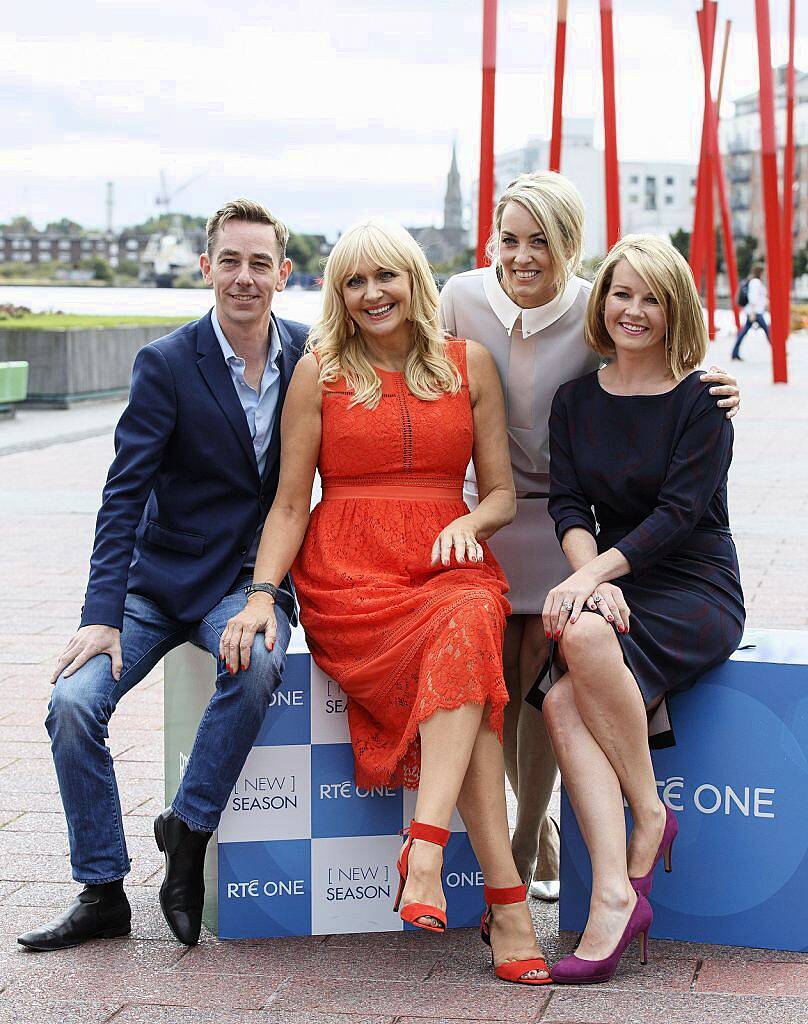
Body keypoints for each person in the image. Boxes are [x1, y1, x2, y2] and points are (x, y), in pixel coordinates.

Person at [220, 219, 550, 984]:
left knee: (469, 623)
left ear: (415, 280)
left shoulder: (469, 366)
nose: (372, 295)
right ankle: (506, 907)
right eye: (354, 282)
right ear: (340, 295)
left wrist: (470, 519)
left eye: (386, 278)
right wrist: (263, 594)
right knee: (471, 675)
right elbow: (291, 504)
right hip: (351, 572)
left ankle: (428, 849)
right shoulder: (320, 370)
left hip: (449, 557)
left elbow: (501, 492)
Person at [439, 171, 741, 900]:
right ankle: (545, 832)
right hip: (492, 506)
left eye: (541, 240)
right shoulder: (459, 297)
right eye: (510, 239)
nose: (522, 255)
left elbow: (660, 395)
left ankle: (526, 831)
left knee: (547, 661)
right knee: (498, 681)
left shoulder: (593, 309)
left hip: (569, 526)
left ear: (571, 247)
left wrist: (720, 384)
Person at [18, 199, 307, 952]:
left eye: (260, 263)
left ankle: (188, 832)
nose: (245, 278)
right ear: (206, 268)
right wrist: (101, 612)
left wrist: (272, 592)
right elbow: (123, 493)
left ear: (284, 273)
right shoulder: (167, 362)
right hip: (156, 581)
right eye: (230, 262)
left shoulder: (310, 357)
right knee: (74, 703)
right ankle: (103, 887)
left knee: (257, 667)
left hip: (244, 583)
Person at [529, 234, 745, 985]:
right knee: (558, 704)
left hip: (693, 583)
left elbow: (682, 515)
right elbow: (566, 502)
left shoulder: (703, 401)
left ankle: (648, 815)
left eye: (652, 297)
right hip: (613, 578)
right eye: (623, 292)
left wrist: (594, 582)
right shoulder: (576, 400)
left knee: (579, 632)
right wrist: (593, 574)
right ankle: (617, 892)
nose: (635, 309)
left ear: (675, 307)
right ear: (603, 299)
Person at [732, 262, 769, 360]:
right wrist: (752, 312)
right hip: (755, 312)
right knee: (768, 331)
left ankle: (734, 352)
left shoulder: (755, 281)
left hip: (755, 311)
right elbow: (753, 298)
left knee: (744, 332)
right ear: (760, 272)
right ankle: (778, 350)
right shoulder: (755, 282)